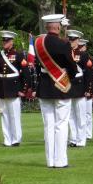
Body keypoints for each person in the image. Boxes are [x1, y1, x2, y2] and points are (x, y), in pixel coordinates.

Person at [34, 14, 78, 168]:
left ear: (47, 27)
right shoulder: (63, 44)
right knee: (61, 124)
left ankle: (50, 161)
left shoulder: (38, 43)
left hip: (45, 87)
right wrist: (69, 76)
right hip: (61, 86)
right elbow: (72, 66)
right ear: (59, 27)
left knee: (48, 125)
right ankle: (60, 161)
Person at [0, 30, 30, 147]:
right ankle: (7, 139)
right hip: (2, 88)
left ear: (12, 41)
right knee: (4, 115)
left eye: (7, 40)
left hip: (14, 88)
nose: (4, 42)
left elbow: (26, 74)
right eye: (3, 40)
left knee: (14, 115)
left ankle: (15, 139)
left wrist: (23, 90)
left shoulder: (19, 55)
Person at [66, 30, 92, 148]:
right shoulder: (65, 53)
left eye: (73, 40)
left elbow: (88, 74)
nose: (71, 42)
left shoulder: (83, 55)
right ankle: (73, 138)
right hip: (68, 85)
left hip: (80, 85)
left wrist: (88, 88)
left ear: (78, 41)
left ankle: (81, 140)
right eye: (70, 39)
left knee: (80, 115)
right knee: (70, 115)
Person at [77, 39, 93, 140]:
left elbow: (90, 76)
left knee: (87, 113)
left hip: (86, 87)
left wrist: (90, 90)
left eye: (82, 47)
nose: (80, 49)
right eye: (79, 47)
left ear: (85, 47)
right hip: (79, 87)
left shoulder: (88, 58)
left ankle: (88, 133)